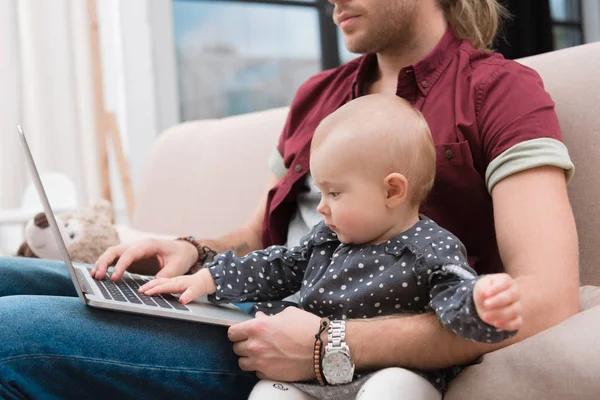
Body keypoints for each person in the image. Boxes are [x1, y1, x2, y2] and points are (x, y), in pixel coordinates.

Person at [0, 0, 578, 399]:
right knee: (10, 274)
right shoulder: (318, 97)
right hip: (252, 301)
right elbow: (259, 237)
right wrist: (190, 252)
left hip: (283, 345)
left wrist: (332, 344)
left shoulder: (497, 92)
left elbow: (549, 298)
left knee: (8, 332)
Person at [137, 94, 523, 400]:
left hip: (394, 373)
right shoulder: (327, 236)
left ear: (392, 190)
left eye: (334, 193)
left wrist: (479, 302)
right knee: (268, 393)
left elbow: (453, 292)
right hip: (310, 375)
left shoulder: (431, 247)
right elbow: (278, 265)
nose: (321, 206)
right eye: (321, 192)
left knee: (393, 392)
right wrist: (209, 277)